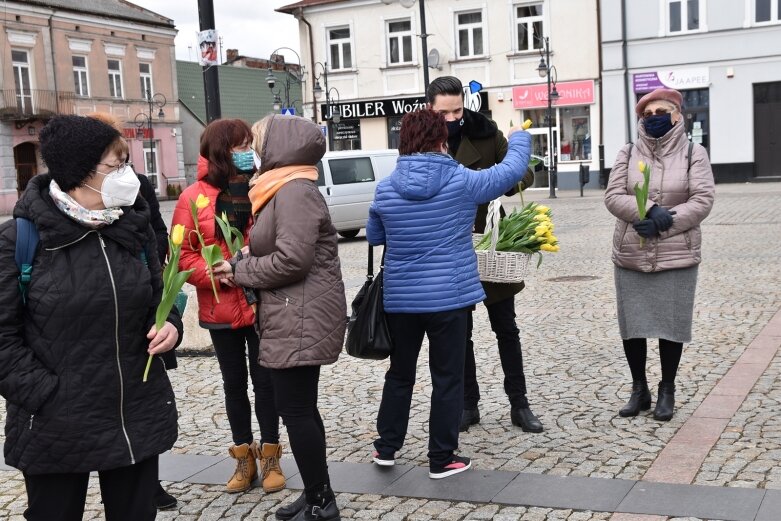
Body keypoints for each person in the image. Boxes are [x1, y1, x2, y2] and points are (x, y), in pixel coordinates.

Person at [0, 115, 182, 521]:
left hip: (131, 413)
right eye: (115, 165)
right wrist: (47, 395)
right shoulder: (21, 239)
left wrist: (170, 327)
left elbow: (160, 303)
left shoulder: (132, 226)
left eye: (127, 163)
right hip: (55, 425)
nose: (127, 175)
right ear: (78, 172)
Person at [367, 109, 531, 479]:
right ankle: (441, 458)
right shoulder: (462, 180)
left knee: (400, 374)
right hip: (449, 299)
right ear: (441, 139)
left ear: (403, 141)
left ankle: (386, 447)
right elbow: (509, 172)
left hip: (401, 300)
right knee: (447, 378)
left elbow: (377, 238)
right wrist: (518, 136)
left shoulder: (386, 187)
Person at [213, 114, 346, 521]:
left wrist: (239, 272)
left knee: (297, 410)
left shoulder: (293, 191)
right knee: (300, 408)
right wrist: (244, 258)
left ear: (278, 148)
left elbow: (292, 260)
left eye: (257, 145)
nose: (252, 153)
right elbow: (280, 245)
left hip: (301, 313)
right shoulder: (284, 188)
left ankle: (322, 502)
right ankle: (316, 493)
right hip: (295, 311)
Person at [172, 119, 285, 494]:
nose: (247, 151)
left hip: (260, 304)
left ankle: (270, 457)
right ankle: (243, 460)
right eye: (240, 145)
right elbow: (181, 255)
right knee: (234, 386)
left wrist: (252, 265)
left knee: (266, 383)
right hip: (220, 307)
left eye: (250, 144)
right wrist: (213, 273)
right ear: (222, 150)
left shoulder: (261, 188)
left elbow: (278, 240)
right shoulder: (192, 198)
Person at [426, 76, 543, 433]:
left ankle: (519, 404)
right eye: (443, 112)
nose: (451, 118)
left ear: (466, 105)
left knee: (506, 327)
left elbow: (524, 175)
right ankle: (467, 404)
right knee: (460, 332)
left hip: (491, 240)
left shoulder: (488, 134)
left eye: (457, 110)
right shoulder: (423, 141)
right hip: (451, 246)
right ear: (430, 108)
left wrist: (504, 180)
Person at [86, 111, 179, 510]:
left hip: (136, 334)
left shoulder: (133, 186)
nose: (122, 168)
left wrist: (155, 273)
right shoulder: (32, 230)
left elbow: (155, 231)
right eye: (114, 160)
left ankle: (148, 481)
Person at [605, 87, 715, 421]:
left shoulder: (694, 152)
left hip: (676, 254)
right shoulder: (627, 152)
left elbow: (703, 199)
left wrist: (665, 223)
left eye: (661, 112)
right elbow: (612, 196)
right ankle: (640, 389)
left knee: (670, 325)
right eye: (647, 114)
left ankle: (667, 388)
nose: (654, 119)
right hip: (631, 253)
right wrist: (647, 210)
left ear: (678, 114)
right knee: (633, 326)